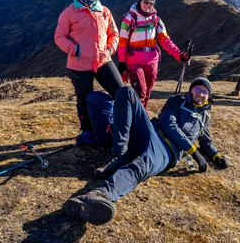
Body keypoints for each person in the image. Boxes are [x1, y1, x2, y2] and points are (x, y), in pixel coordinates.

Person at [64, 77, 230, 225]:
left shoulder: (205, 117)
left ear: (209, 96)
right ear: (191, 90)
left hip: (167, 151)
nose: (201, 94)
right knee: (127, 91)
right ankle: (120, 150)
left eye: (205, 92)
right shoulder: (176, 100)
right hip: (151, 130)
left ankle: (97, 196)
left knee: (140, 167)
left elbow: (206, 141)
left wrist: (216, 155)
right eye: (198, 89)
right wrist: (193, 151)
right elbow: (168, 124)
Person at [54, 0, 125, 134]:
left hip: (103, 61)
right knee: (83, 99)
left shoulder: (105, 12)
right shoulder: (69, 12)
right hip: (79, 64)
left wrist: (109, 49)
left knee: (120, 92)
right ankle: (87, 131)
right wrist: (75, 50)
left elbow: (114, 34)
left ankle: (121, 126)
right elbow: (59, 36)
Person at [117, 0, 187, 109]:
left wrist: (179, 55)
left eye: (151, 3)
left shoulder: (156, 20)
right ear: (140, 1)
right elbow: (122, 42)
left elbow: (165, 40)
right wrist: (122, 63)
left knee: (147, 93)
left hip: (152, 61)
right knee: (140, 92)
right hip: (134, 61)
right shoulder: (129, 19)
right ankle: (135, 119)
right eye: (146, 2)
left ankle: (141, 119)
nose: (148, 5)